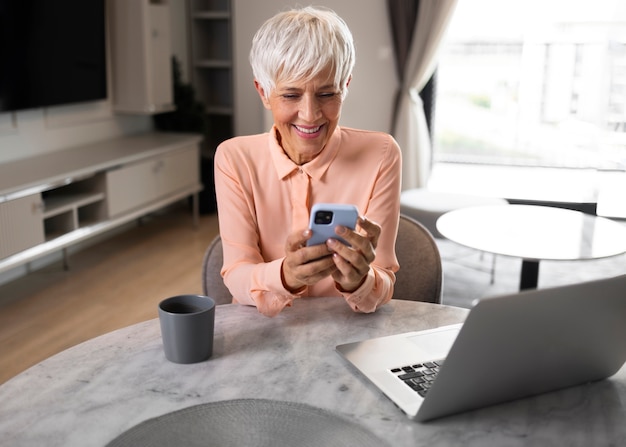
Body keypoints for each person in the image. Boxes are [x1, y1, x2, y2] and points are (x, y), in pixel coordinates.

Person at [213, 6, 402, 317]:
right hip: (262, 333)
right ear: (263, 92)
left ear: (346, 86)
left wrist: (360, 282)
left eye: (327, 94)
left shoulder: (381, 154)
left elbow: (382, 280)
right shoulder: (234, 158)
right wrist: (286, 276)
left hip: (347, 328)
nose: (311, 114)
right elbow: (236, 274)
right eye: (290, 95)